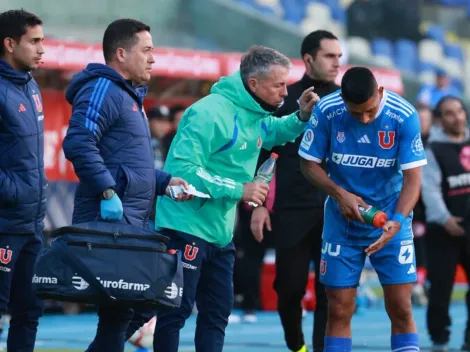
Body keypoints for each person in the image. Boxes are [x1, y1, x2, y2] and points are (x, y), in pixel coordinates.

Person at [153, 45, 320, 352]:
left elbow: (274, 131)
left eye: (286, 84)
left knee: (217, 314)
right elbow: (182, 171)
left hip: (219, 232)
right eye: (279, 85)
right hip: (183, 225)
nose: (286, 92)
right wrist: (239, 189)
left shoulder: (256, 112)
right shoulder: (207, 112)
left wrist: (302, 116)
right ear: (253, 84)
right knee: (174, 313)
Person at [62, 18, 190, 352]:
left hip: (131, 221)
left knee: (138, 306)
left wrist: (165, 182)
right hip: (111, 222)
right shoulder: (103, 88)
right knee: (124, 311)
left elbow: (127, 165)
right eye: (146, 50)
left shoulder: (128, 95)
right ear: (121, 53)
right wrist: (107, 191)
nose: (152, 58)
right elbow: (78, 142)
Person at [298, 66, 427, 352]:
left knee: (401, 308)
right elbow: (308, 164)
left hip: (391, 220)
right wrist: (340, 194)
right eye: (357, 113)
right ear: (343, 99)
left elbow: (413, 178)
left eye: (370, 111)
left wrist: (396, 220)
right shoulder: (328, 111)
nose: (365, 118)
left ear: (380, 92)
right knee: (340, 310)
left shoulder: (403, 116)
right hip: (341, 224)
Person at [240, 30, 342, 352]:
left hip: (335, 209)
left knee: (332, 291)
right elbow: (264, 152)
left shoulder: (347, 100)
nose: (337, 62)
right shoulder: (284, 98)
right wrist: (258, 205)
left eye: (340, 56)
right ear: (309, 58)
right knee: (288, 288)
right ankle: (297, 347)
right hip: (291, 210)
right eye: (330, 56)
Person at [0, 9, 46, 352]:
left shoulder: (29, 85)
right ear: (9, 44)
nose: (42, 49)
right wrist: (15, 191)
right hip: (4, 221)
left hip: (31, 224)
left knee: (30, 310)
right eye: (34, 41)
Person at [421, 96, 470, 352]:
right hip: (443, 231)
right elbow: (429, 191)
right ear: (440, 120)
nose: (457, 117)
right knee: (440, 292)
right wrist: (445, 219)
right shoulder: (433, 150)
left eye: (460, 111)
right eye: (450, 113)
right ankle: (439, 338)